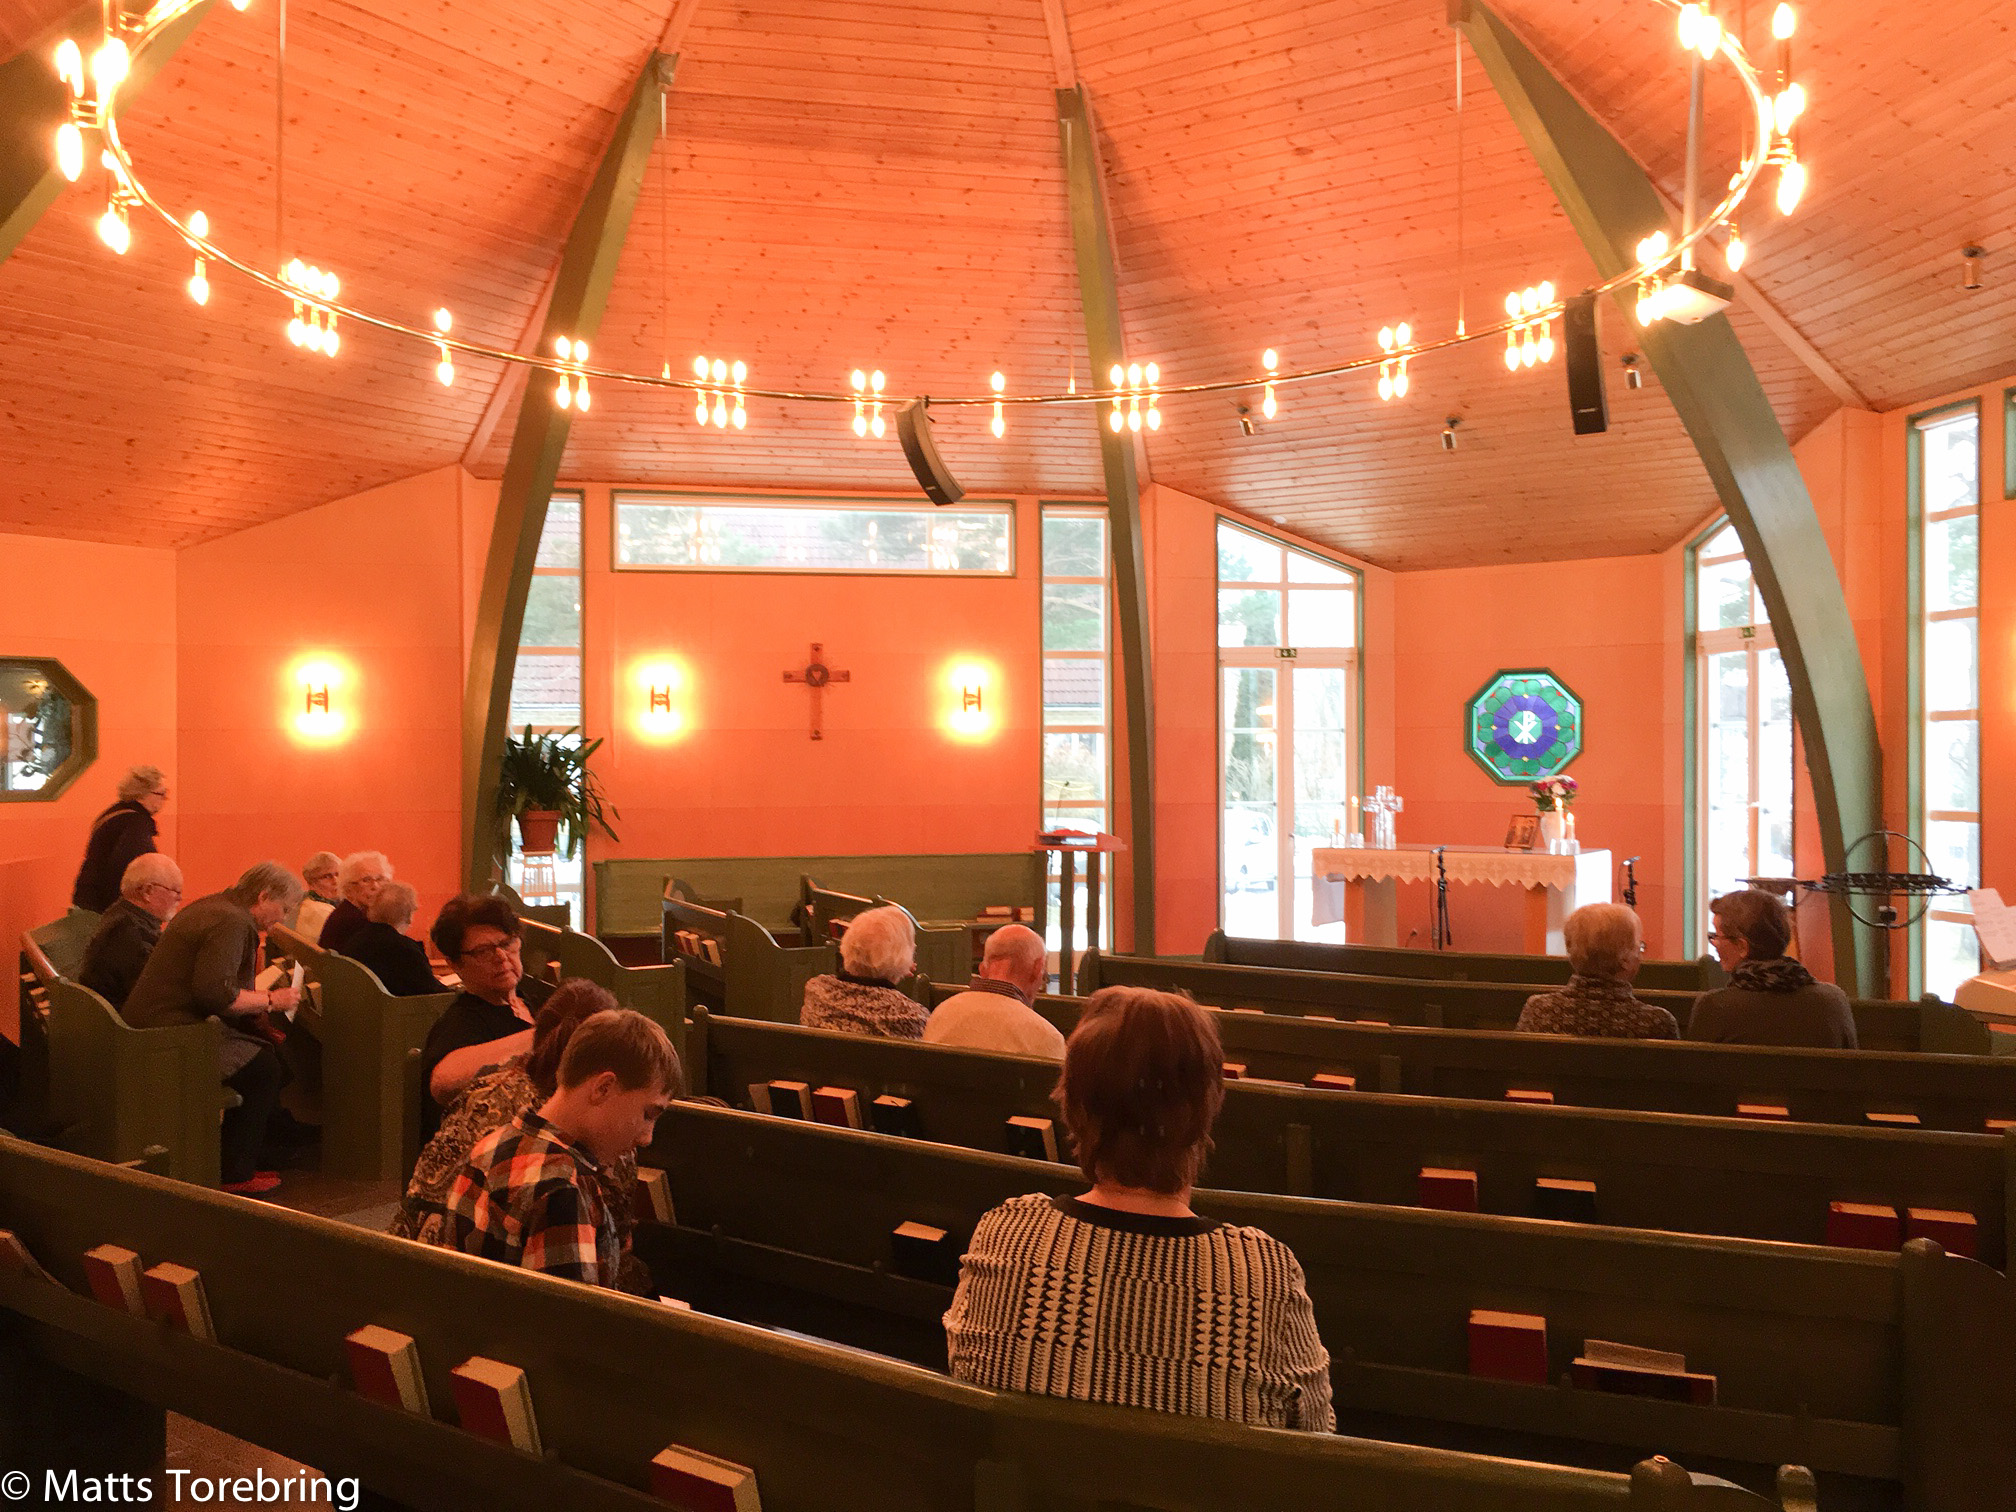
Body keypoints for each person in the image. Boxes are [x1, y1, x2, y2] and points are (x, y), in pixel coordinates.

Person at [945, 986, 1334, 1431]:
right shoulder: (1264, 1276)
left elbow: (964, 1380)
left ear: (1073, 1104)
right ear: (1206, 1108)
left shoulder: (1005, 1237)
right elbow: (1316, 1440)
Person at [393, 979, 654, 1291]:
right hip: (501, 1292)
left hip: (407, 1267)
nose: (646, 1135)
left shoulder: (483, 1090)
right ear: (605, 1078)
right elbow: (614, 1247)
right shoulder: (595, 1128)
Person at [443, 1008, 679, 1289]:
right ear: (603, 1088)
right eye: (648, 1114)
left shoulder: (491, 1145)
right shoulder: (563, 1189)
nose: (647, 1138)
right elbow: (571, 1314)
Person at [122, 861, 304, 1195]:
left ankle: (254, 1152)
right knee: (263, 1070)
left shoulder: (216, 906)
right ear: (264, 896)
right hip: (167, 1035)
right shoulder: (231, 921)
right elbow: (216, 994)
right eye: (284, 908)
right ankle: (234, 1172)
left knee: (270, 1058)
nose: (283, 918)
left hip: (158, 1023)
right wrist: (270, 1000)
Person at [418, 894, 553, 1143]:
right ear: (455, 964)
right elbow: (443, 1081)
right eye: (483, 951)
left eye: (507, 943)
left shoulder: (537, 1004)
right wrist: (549, 1036)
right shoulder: (461, 1022)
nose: (501, 957)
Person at [1689, 889, 1857, 1048]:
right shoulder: (1833, 1001)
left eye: (1716, 936)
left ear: (1742, 946)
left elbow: (1695, 1067)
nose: (1714, 943)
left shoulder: (1714, 1007)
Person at [1515, 903, 1679, 1040]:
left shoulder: (1539, 1011)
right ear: (1625, 959)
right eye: (1639, 947)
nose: (1640, 954)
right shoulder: (1656, 1023)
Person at [923, 924, 1066, 1059]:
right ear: (1038, 968)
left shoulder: (940, 1014)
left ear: (982, 969)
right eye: (1044, 975)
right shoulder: (1046, 1037)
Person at [800, 904, 928, 1038]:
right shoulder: (911, 1016)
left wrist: (897, 968)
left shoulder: (816, 990)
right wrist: (897, 968)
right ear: (903, 957)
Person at [78, 853, 183, 1011]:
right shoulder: (130, 934)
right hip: (122, 1023)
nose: (179, 899)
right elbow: (158, 996)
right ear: (148, 891)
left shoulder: (119, 915)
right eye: (176, 891)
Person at [71, 765, 168, 913]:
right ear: (142, 794)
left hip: (87, 897)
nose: (164, 799)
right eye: (161, 794)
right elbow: (137, 868)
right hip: (103, 906)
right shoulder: (135, 823)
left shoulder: (114, 814)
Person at [339, 880, 448, 997]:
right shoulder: (405, 949)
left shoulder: (356, 940)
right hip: (397, 1008)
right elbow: (434, 994)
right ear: (409, 916)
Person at [317, 850, 392, 953]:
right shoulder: (356, 923)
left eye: (380, 879)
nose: (375, 886)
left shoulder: (349, 912)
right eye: (366, 880)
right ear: (348, 888)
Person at [295, 852, 342, 941]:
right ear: (312, 884)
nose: (336, 881)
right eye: (327, 876)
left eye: (338, 874)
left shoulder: (308, 901)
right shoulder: (322, 912)